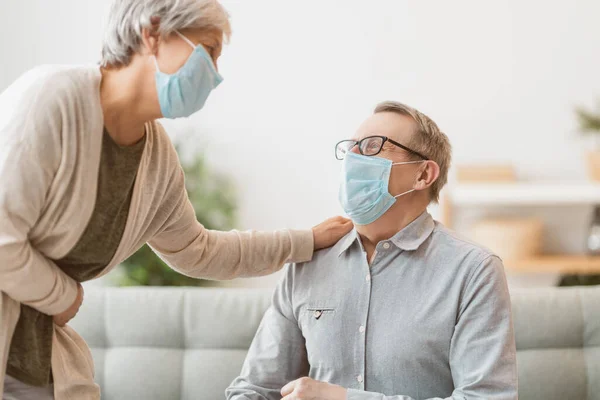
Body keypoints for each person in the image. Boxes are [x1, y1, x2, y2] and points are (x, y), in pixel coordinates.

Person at [0, 0, 352, 398]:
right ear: (152, 35)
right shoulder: (50, 98)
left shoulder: (156, 159)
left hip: (37, 359)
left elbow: (198, 250)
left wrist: (304, 241)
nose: (215, 75)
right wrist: (63, 295)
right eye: (209, 50)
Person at [226, 101, 518, 400]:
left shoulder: (474, 270)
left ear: (423, 174)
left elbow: (487, 398)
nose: (353, 157)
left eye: (372, 146)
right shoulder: (308, 263)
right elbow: (254, 388)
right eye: (351, 147)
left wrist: (343, 398)